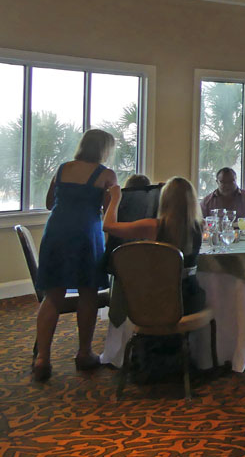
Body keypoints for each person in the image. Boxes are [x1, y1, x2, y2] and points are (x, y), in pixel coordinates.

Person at [32, 129, 118, 382]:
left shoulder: (62, 169)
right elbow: (108, 212)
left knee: (53, 295)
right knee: (88, 293)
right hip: (85, 235)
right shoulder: (105, 174)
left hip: (56, 232)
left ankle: (42, 359)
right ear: (104, 149)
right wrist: (115, 197)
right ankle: (84, 353)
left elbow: (50, 204)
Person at [103, 176, 206, 316]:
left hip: (161, 299)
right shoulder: (199, 226)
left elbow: (108, 226)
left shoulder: (153, 226)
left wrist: (115, 198)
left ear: (164, 199)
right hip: (192, 298)